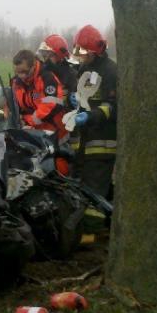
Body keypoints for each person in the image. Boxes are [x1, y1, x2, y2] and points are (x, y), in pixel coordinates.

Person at [70, 25, 118, 201]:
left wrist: (91, 116)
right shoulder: (84, 69)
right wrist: (73, 99)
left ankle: (96, 227)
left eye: (83, 52)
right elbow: (81, 94)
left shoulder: (111, 71)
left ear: (94, 51)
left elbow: (113, 106)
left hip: (102, 143)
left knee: (95, 191)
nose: (80, 56)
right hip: (83, 142)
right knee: (78, 187)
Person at [11, 49, 67, 139]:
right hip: (31, 132)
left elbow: (51, 106)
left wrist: (26, 120)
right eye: (18, 72)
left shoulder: (47, 78)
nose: (21, 76)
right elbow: (15, 104)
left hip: (54, 133)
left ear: (33, 66)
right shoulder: (16, 82)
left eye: (25, 72)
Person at [36, 34, 77, 98]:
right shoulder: (42, 73)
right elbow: (36, 95)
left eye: (49, 55)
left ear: (59, 56)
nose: (46, 60)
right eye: (44, 55)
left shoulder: (70, 75)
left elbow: (73, 99)